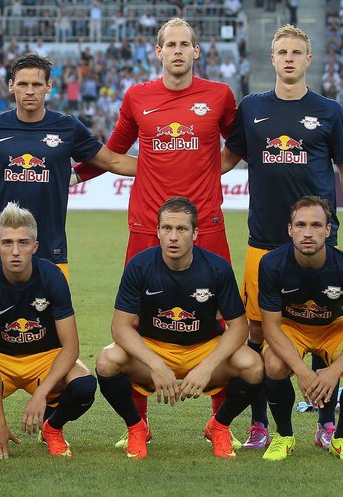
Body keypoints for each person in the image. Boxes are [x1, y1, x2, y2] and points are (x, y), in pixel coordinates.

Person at [73, 17, 238, 439]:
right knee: (141, 319)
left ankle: (219, 423)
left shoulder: (219, 96)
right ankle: (138, 424)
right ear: (158, 51)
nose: (179, 50)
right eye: (171, 44)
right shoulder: (137, 97)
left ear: (197, 51)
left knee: (221, 317)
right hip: (147, 223)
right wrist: (73, 175)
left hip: (208, 226)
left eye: (186, 44)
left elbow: (238, 147)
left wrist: (203, 172)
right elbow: (111, 153)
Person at [222, 24, 343, 450]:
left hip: (317, 243)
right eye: (281, 52)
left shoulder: (328, 111)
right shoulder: (251, 108)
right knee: (258, 337)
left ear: (309, 60)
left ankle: (327, 423)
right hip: (264, 242)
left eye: (296, 52)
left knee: (324, 326)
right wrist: (171, 169)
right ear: (271, 59)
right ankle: (260, 425)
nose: (289, 58)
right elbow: (224, 160)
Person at [0, 52, 136, 278]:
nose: (30, 90)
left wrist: (166, 166)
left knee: (54, 313)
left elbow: (112, 160)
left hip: (50, 248)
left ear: (48, 86)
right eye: (23, 84)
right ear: (11, 86)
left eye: (36, 84)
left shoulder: (68, 128)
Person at [96, 197, 262, 460]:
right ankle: (137, 427)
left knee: (253, 364)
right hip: (155, 347)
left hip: (204, 349)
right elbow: (120, 327)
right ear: (158, 231)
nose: (173, 237)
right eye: (167, 229)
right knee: (107, 360)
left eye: (182, 229)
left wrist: (206, 366)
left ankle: (219, 426)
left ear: (195, 233)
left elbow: (239, 328)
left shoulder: (217, 268)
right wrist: (156, 365)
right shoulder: (140, 265)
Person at [0, 203, 97, 459]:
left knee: (85, 386)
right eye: (8, 243)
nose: (15, 251)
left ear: (35, 247)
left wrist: (41, 394)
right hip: (2, 360)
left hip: (45, 357)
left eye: (23, 243)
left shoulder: (52, 277)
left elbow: (71, 347)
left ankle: (52, 428)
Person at [258, 196, 343, 462]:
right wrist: (302, 371)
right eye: (300, 225)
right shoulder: (271, 264)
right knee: (275, 364)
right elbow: (271, 327)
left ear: (328, 230)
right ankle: (284, 436)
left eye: (316, 225)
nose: (308, 232)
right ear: (290, 229)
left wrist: (334, 371)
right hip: (292, 327)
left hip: (334, 326)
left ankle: (342, 438)